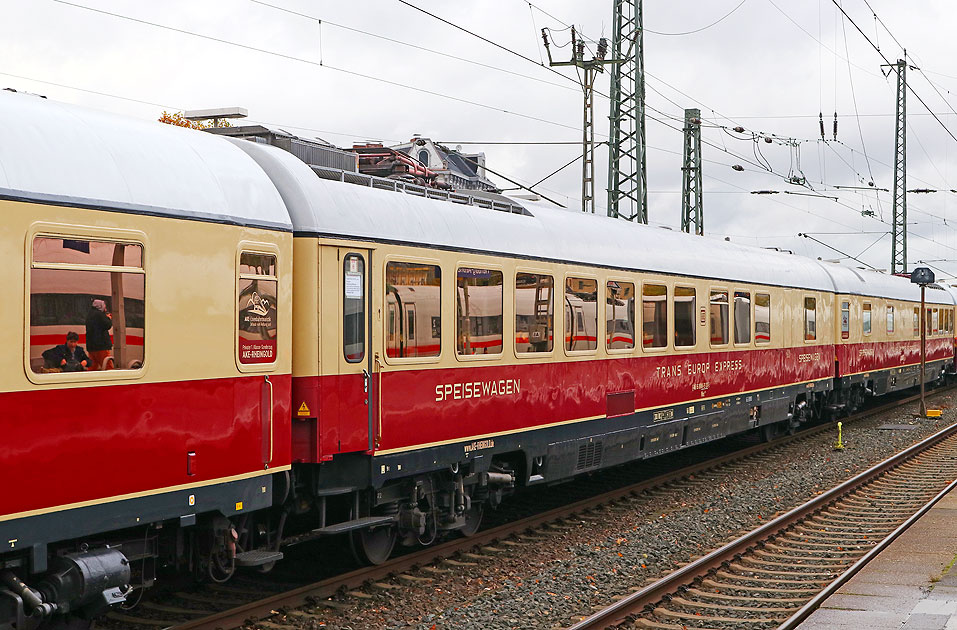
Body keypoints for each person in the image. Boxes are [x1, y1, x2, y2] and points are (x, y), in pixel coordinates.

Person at [85, 299, 113, 370]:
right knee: (107, 366)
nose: (105, 309)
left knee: (92, 367)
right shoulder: (99, 315)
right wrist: (108, 318)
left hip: (91, 346)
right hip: (101, 346)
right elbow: (107, 325)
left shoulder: (89, 314)